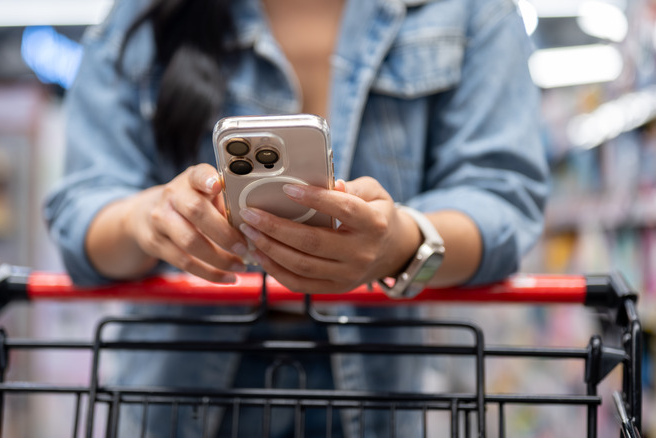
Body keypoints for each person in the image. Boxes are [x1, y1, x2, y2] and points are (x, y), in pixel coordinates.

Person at [44, 0, 549, 435]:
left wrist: (399, 244)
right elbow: (80, 213)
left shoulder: (466, 10)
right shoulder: (144, 14)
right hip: (176, 386)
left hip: (377, 385)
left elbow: (503, 200)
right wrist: (145, 219)